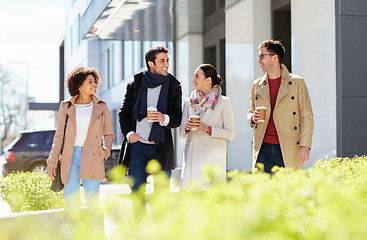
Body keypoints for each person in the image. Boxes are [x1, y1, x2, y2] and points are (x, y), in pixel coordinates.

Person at [47, 66, 114, 238]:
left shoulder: (101, 107)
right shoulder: (66, 107)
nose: (94, 85)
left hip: (93, 157)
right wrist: (52, 161)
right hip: (71, 158)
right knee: (71, 202)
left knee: (93, 202)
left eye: (95, 81)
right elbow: (59, 136)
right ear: (79, 85)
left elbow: (109, 133)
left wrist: (104, 151)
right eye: (90, 82)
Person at [118, 46, 182, 193]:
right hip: (138, 146)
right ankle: (140, 218)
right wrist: (130, 135)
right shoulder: (135, 84)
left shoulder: (174, 86)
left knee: (162, 194)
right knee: (136, 191)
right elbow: (123, 114)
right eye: (162, 61)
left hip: (161, 147)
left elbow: (177, 118)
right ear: (150, 63)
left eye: (167, 60)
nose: (166, 64)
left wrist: (164, 118)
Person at [248, 40, 314, 174]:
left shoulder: (296, 82)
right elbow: (250, 111)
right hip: (262, 147)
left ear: (274, 57)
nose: (258, 60)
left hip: (287, 146)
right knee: (262, 190)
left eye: (262, 56)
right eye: (258, 56)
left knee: (286, 190)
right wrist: (252, 117)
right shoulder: (257, 84)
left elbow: (306, 116)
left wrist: (305, 145)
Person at [179, 64, 235, 190]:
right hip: (192, 163)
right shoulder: (189, 102)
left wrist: (208, 129)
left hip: (212, 162)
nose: (193, 80)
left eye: (197, 76)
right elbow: (181, 134)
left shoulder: (224, 102)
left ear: (208, 80)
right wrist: (187, 128)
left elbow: (230, 133)